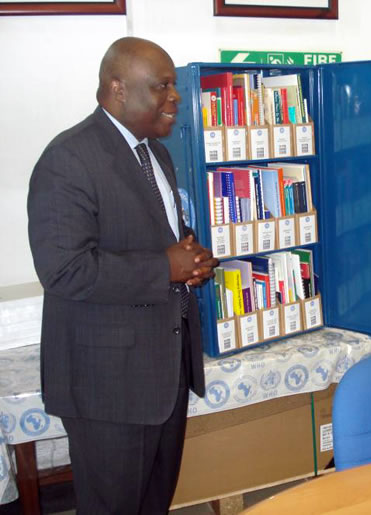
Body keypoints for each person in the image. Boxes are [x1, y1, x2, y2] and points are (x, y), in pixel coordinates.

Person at [27, 37, 219, 514]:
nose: (175, 97)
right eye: (163, 86)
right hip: (109, 386)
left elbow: (157, 229)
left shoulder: (157, 153)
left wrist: (190, 256)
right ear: (117, 88)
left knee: (155, 501)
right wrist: (166, 267)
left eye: (173, 86)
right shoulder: (68, 159)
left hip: (164, 372)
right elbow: (64, 270)